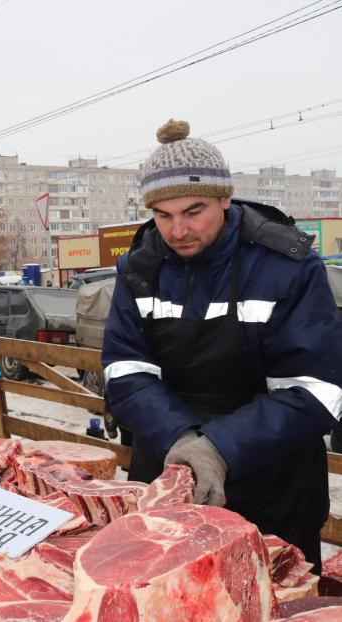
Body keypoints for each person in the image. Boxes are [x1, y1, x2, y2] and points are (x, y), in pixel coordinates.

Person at [102, 119, 342, 572]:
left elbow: (316, 388)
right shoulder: (139, 268)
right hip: (171, 463)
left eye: (194, 212)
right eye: (163, 215)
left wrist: (220, 446)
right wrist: (183, 439)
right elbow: (126, 371)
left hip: (273, 477)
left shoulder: (288, 266)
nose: (178, 231)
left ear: (225, 199)